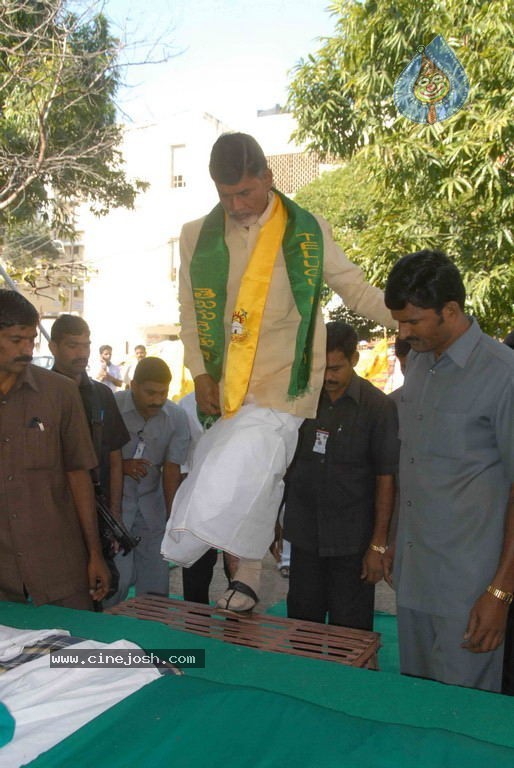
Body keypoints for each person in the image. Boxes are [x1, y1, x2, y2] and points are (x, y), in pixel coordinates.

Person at [161, 132, 394, 613]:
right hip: (226, 384)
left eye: (245, 192)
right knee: (222, 469)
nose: (236, 204)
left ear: (268, 177)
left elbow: (355, 290)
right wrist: (201, 373)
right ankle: (241, 569)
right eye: (225, 196)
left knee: (251, 460)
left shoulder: (306, 231)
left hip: (285, 382)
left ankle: (245, 575)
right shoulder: (194, 237)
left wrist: (410, 316)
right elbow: (189, 312)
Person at [383, 250, 514, 693]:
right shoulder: (419, 364)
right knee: (419, 701)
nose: (403, 333)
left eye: (413, 321)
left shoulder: (503, 376)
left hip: (470, 586)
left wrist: (499, 593)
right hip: (415, 574)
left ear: (451, 311)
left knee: (462, 716)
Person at [283, 322, 399, 630]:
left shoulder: (378, 408)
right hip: (305, 537)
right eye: (321, 368)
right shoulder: (302, 400)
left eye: (336, 368)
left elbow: (386, 479)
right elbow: (285, 465)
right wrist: (273, 521)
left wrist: (377, 545)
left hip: (353, 544)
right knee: (302, 632)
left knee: (349, 636)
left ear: (354, 360)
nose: (328, 377)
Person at [0, 290, 110, 608]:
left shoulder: (60, 393)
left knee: (74, 656)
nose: (26, 350)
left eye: (31, 340)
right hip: (3, 573)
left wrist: (94, 553)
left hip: (58, 566)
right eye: (16, 340)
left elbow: (80, 475)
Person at [104, 357, 190, 606]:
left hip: (151, 507)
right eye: (150, 392)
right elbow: (93, 457)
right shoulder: (112, 406)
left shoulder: (176, 417)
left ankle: (152, 633)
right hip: (114, 508)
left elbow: (172, 469)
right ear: (133, 385)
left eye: (162, 393)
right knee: (116, 580)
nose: (157, 400)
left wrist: (172, 515)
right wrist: (122, 466)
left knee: (156, 582)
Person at [50, 315, 130, 519]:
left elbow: (114, 457)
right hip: (52, 508)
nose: (81, 353)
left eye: (86, 346)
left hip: (97, 507)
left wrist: (115, 512)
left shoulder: (102, 395)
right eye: (73, 346)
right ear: (53, 347)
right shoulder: (41, 394)